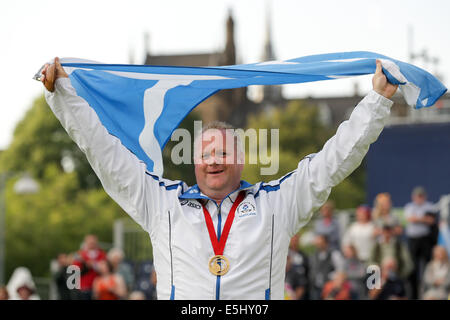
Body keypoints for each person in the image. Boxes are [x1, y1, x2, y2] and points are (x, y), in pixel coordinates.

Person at [41, 57, 397, 300]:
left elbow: (334, 159)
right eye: (206, 154)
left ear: (240, 159)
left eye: (223, 153)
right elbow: (104, 153)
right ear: (194, 161)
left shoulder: (277, 202)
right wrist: (63, 96)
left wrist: (378, 100)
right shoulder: (161, 203)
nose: (214, 161)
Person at [404, 186, 437, 299]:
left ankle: (428, 293)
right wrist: (423, 219)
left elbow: (431, 220)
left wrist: (418, 219)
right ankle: (413, 295)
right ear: (413, 197)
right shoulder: (409, 207)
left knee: (428, 266)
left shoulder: (429, 206)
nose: (419, 198)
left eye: (421, 196)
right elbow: (410, 219)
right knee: (413, 267)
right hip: (413, 240)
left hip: (426, 241)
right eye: (418, 196)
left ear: (424, 196)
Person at [309, 234, 344, 300]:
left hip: (329, 288)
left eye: (321, 242)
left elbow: (340, 271)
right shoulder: (314, 255)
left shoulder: (334, 254)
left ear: (326, 243)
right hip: (315, 288)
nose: (318, 244)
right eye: (317, 242)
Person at [71, 234, 107, 300]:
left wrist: (96, 266)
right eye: (90, 242)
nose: (92, 244)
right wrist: (86, 267)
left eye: (93, 242)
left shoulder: (102, 254)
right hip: (84, 287)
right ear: (86, 242)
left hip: (99, 286)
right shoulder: (79, 254)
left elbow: (106, 270)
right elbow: (75, 271)